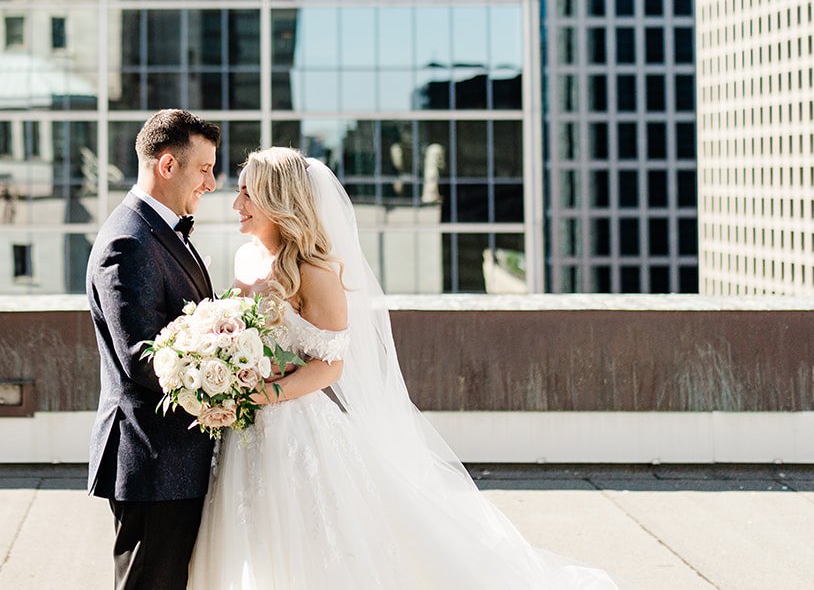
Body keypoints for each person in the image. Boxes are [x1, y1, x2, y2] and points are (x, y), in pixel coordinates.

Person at [189, 147, 619, 589]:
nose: (236, 204)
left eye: (247, 194)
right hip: (240, 431)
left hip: (292, 430)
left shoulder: (316, 273)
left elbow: (330, 366)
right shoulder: (244, 259)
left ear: (279, 201)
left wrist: (267, 394)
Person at [87, 108, 221, 590]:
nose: (211, 182)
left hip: (174, 459)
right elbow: (143, 360)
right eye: (204, 169)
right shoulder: (129, 240)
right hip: (152, 459)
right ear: (168, 165)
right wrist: (225, 381)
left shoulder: (161, 230)